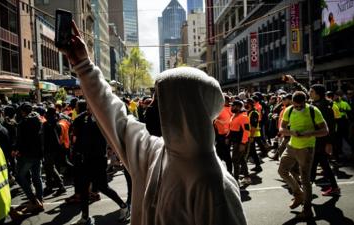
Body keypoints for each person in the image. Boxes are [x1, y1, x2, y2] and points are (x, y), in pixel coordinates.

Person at [59, 21, 246, 225]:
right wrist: (84, 66)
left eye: (159, 100)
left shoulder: (215, 185)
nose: (150, 107)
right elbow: (115, 117)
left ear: (183, 108)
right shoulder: (155, 149)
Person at [71, 100, 129, 225]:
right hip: (83, 159)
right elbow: (75, 138)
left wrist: (115, 152)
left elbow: (112, 137)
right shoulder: (81, 119)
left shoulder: (103, 120)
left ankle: (123, 206)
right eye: (89, 104)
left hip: (98, 159)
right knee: (83, 188)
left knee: (102, 186)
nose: (90, 107)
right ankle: (85, 217)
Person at [278, 91, 329, 219]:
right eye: (296, 106)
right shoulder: (289, 110)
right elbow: (281, 129)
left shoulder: (313, 110)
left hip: (306, 148)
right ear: (292, 103)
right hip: (291, 146)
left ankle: (307, 209)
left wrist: (310, 133)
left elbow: (325, 131)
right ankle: (298, 194)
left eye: (301, 106)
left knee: (305, 179)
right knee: (282, 171)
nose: (298, 108)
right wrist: (291, 132)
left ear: (305, 102)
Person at [15, 102, 44, 214]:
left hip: (27, 155)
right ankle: (39, 199)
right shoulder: (39, 120)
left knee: (19, 176)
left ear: (22, 111)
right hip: (38, 154)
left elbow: (20, 140)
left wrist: (17, 150)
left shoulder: (23, 123)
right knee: (37, 176)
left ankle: (34, 201)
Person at [42, 106, 66, 197]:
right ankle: (49, 186)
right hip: (56, 148)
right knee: (49, 167)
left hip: (48, 149)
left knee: (50, 167)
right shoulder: (57, 123)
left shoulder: (46, 124)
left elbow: (44, 138)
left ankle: (60, 185)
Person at [228, 100, 251, 186]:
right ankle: (247, 177)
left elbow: (247, 131)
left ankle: (236, 179)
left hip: (240, 142)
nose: (231, 107)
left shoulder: (243, 117)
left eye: (233, 105)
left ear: (238, 107)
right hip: (235, 142)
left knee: (235, 160)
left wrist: (243, 143)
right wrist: (228, 137)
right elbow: (232, 128)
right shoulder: (234, 116)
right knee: (241, 160)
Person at [214, 94, 233, 174]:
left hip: (224, 136)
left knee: (225, 155)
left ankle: (228, 172)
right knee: (221, 154)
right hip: (223, 135)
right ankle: (226, 171)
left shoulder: (221, 109)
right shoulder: (231, 109)